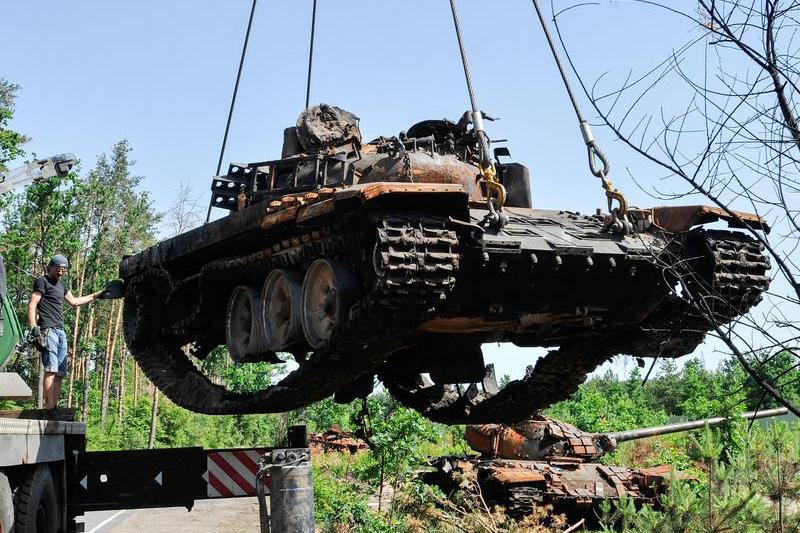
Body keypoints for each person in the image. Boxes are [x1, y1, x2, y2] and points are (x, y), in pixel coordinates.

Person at [27, 255, 102, 409]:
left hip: (61, 331)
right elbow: (32, 304)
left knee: (60, 371)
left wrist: (96, 295)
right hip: (48, 329)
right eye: (58, 269)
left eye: (63, 270)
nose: (60, 272)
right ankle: (49, 407)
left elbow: (74, 302)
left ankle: (55, 406)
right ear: (51, 267)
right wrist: (33, 326)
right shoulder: (43, 281)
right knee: (51, 368)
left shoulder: (62, 285)